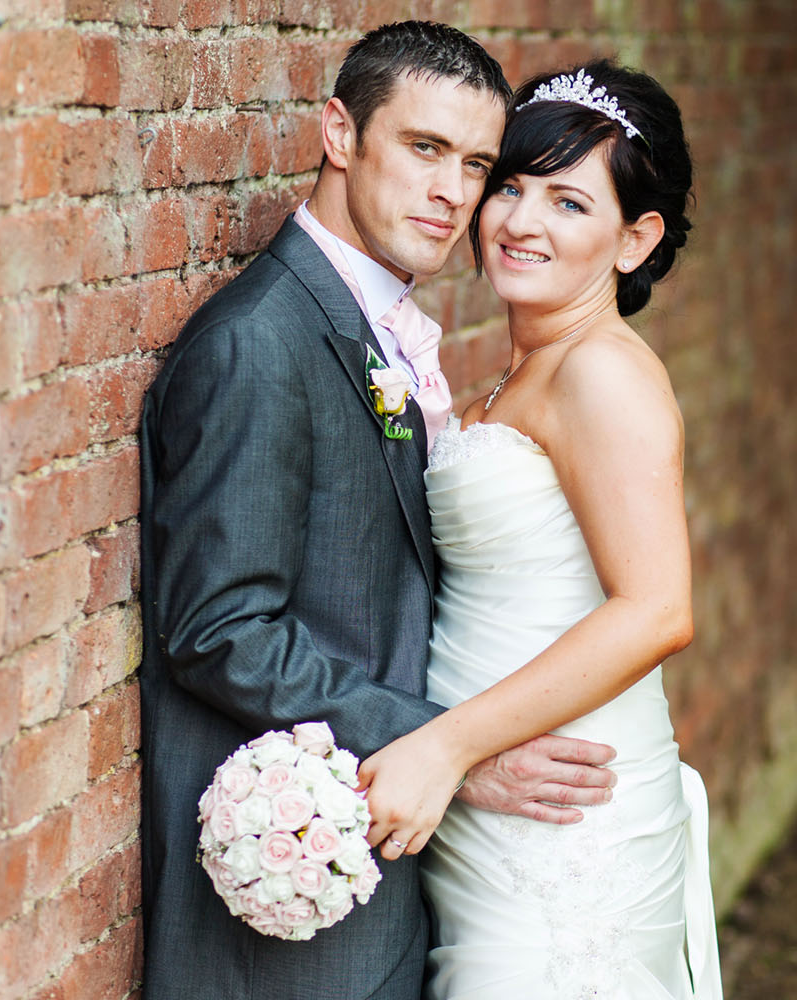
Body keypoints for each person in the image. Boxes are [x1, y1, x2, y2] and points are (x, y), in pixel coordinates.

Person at [137, 24, 617, 1000]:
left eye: (476, 163)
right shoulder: (257, 345)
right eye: (425, 148)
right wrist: (449, 745)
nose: (453, 191)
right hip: (285, 925)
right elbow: (221, 632)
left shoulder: (367, 326)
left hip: (377, 883)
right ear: (340, 133)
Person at [353, 60, 724, 998]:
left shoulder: (602, 372)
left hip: (565, 816)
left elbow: (655, 612)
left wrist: (444, 745)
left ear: (634, 241)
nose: (519, 222)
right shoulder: (524, 370)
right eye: (510, 187)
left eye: (568, 203)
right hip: (494, 795)